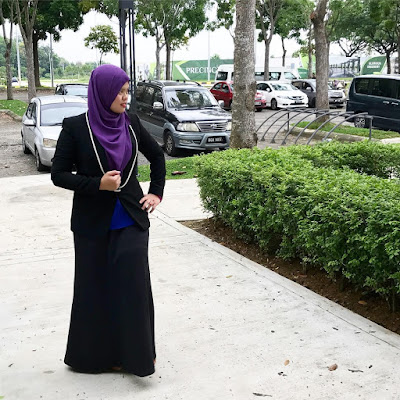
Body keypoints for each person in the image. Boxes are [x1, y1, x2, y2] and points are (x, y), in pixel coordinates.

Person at [51, 64, 166, 377]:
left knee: (133, 288)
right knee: (94, 290)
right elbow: (58, 174)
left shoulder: (131, 122)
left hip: (130, 218)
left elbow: (157, 156)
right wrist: (97, 184)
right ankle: (97, 358)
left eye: (127, 91)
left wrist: (156, 193)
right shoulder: (76, 127)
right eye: (120, 92)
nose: (125, 97)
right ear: (102, 93)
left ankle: (138, 356)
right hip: (91, 224)